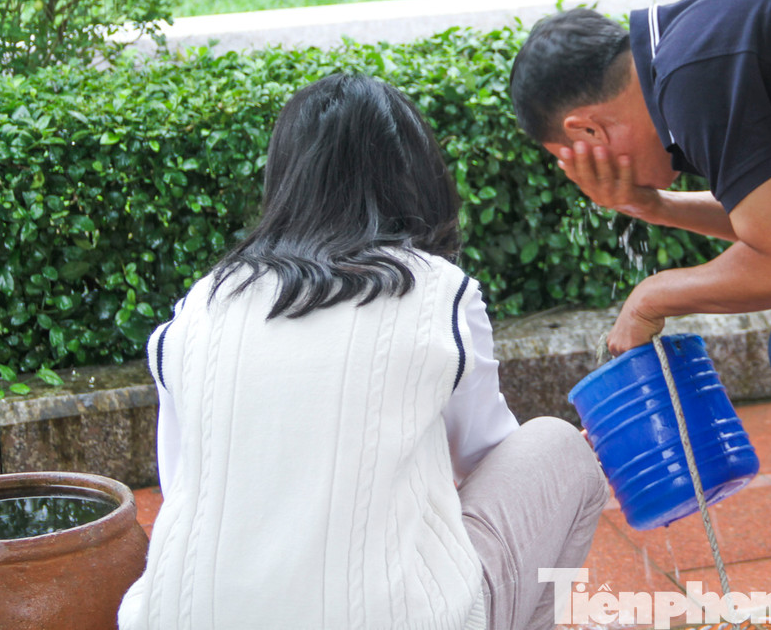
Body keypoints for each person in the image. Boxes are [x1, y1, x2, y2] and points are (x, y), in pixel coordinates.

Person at [119, 74, 607, 630]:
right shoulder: (436, 291)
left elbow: (184, 480)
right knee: (557, 448)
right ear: (415, 175)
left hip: (178, 619)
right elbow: (485, 457)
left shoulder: (203, 302)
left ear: (285, 180)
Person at [509, 0, 771, 630]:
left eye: (571, 162)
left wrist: (650, 297)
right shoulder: (687, 46)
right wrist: (653, 205)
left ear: (585, 131)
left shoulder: (693, 75)